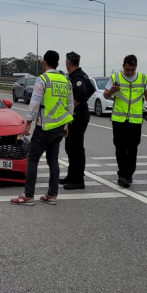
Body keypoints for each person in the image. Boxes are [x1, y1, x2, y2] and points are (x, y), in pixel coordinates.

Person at [12, 51, 74, 206]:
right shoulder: (66, 81)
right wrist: (66, 126)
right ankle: (52, 195)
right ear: (58, 64)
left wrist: (28, 123)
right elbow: (70, 106)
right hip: (59, 127)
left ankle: (28, 196)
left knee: (32, 160)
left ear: (44, 63)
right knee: (53, 161)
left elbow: (35, 103)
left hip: (44, 127)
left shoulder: (42, 79)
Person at [103, 54, 147, 188]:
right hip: (119, 120)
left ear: (136, 68)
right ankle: (123, 175)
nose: (129, 72)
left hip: (135, 120)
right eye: (127, 69)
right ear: (123, 66)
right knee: (120, 148)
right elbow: (105, 94)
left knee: (132, 148)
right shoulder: (115, 78)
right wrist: (111, 91)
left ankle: (128, 174)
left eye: (132, 70)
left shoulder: (142, 78)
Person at [60, 52, 95, 190]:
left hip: (78, 115)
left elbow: (82, 94)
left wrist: (72, 107)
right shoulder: (81, 75)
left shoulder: (77, 77)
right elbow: (90, 89)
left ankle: (78, 179)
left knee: (76, 148)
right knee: (69, 147)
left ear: (68, 63)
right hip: (78, 114)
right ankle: (71, 175)